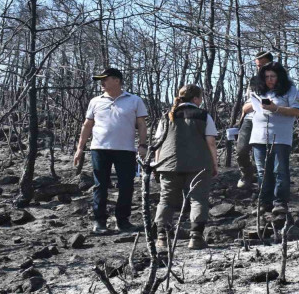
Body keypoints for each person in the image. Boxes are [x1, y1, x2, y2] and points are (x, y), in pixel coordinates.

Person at [74, 68, 148, 234]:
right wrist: (80, 148)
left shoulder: (134, 100)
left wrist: (143, 145)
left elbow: (142, 124)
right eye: (100, 80)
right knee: (100, 185)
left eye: (105, 79)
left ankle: (123, 221)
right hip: (99, 149)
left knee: (126, 186)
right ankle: (99, 222)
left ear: (117, 80)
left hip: (126, 150)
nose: (102, 83)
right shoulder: (95, 101)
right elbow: (87, 125)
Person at [153, 84, 218, 250]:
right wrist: (214, 164)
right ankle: (195, 237)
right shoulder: (203, 115)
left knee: (166, 200)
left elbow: (158, 144)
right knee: (198, 199)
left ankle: (162, 237)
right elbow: (211, 142)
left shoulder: (166, 116)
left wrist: (157, 164)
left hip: (168, 164)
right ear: (196, 99)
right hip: (199, 165)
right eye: (200, 98)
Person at [247, 62, 299, 215]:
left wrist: (275, 108)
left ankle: (280, 203)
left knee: (280, 171)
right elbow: (248, 108)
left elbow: (297, 111)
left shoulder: (290, 90)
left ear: (280, 77)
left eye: (273, 76)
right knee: (262, 172)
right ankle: (264, 203)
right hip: (258, 136)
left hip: (280, 137)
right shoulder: (258, 91)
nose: (269, 80)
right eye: (266, 77)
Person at [236, 51, 274, 188]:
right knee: (241, 150)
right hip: (250, 118)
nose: (260, 68)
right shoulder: (253, 80)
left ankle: (265, 186)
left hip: (268, 120)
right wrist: (241, 118)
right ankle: (246, 174)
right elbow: (247, 101)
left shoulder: (280, 80)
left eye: (263, 65)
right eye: (258, 66)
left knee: (265, 155)